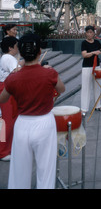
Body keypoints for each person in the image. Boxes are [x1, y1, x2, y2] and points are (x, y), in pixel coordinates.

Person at [0, 33, 65, 189]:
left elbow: (2, 99)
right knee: (46, 170)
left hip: (22, 124)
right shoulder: (49, 73)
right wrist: (50, 71)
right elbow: (61, 89)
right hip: (44, 123)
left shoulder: (13, 78)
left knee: (19, 171)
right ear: (39, 52)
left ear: (21, 53)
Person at [81, 25, 101, 113]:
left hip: (97, 66)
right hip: (87, 67)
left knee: (97, 86)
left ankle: (97, 106)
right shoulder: (84, 43)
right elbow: (84, 55)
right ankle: (84, 109)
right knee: (86, 87)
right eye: (88, 32)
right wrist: (93, 52)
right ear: (86, 33)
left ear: (94, 33)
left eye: (91, 32)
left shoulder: (97, 42)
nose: (89, 34)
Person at [0, 37, 20, 161]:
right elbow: (16, 71)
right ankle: (3, 151)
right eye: (16, 46)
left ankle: (7, 148)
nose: (17, 48)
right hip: (7, 90)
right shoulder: (8, 58)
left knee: (7, 120)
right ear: (10, 48)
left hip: (6, 88)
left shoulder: (5, 58)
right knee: (7, 121)